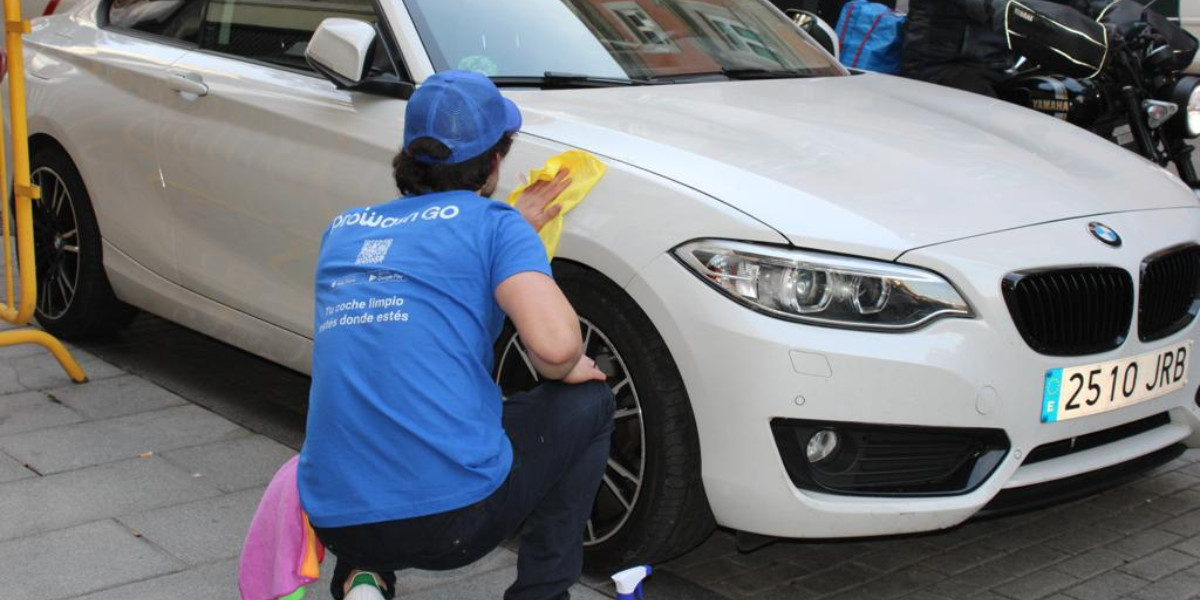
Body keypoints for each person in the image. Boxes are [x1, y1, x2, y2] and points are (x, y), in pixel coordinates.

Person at [297, 70, 615, 600]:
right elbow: (557, 348)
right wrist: (564, 367)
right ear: (494, 162)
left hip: (334, 514)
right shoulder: (494, 225)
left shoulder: (345, 229)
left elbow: (426, 270)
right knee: (591, 403)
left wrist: (508, 229)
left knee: (375, 403)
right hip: (453, 521)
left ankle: (364, 576)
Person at [901, 0, 1115, 97]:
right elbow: (999, 8)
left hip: (1001, 66)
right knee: (994, 141)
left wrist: (1115, 14)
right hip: (943, 71)